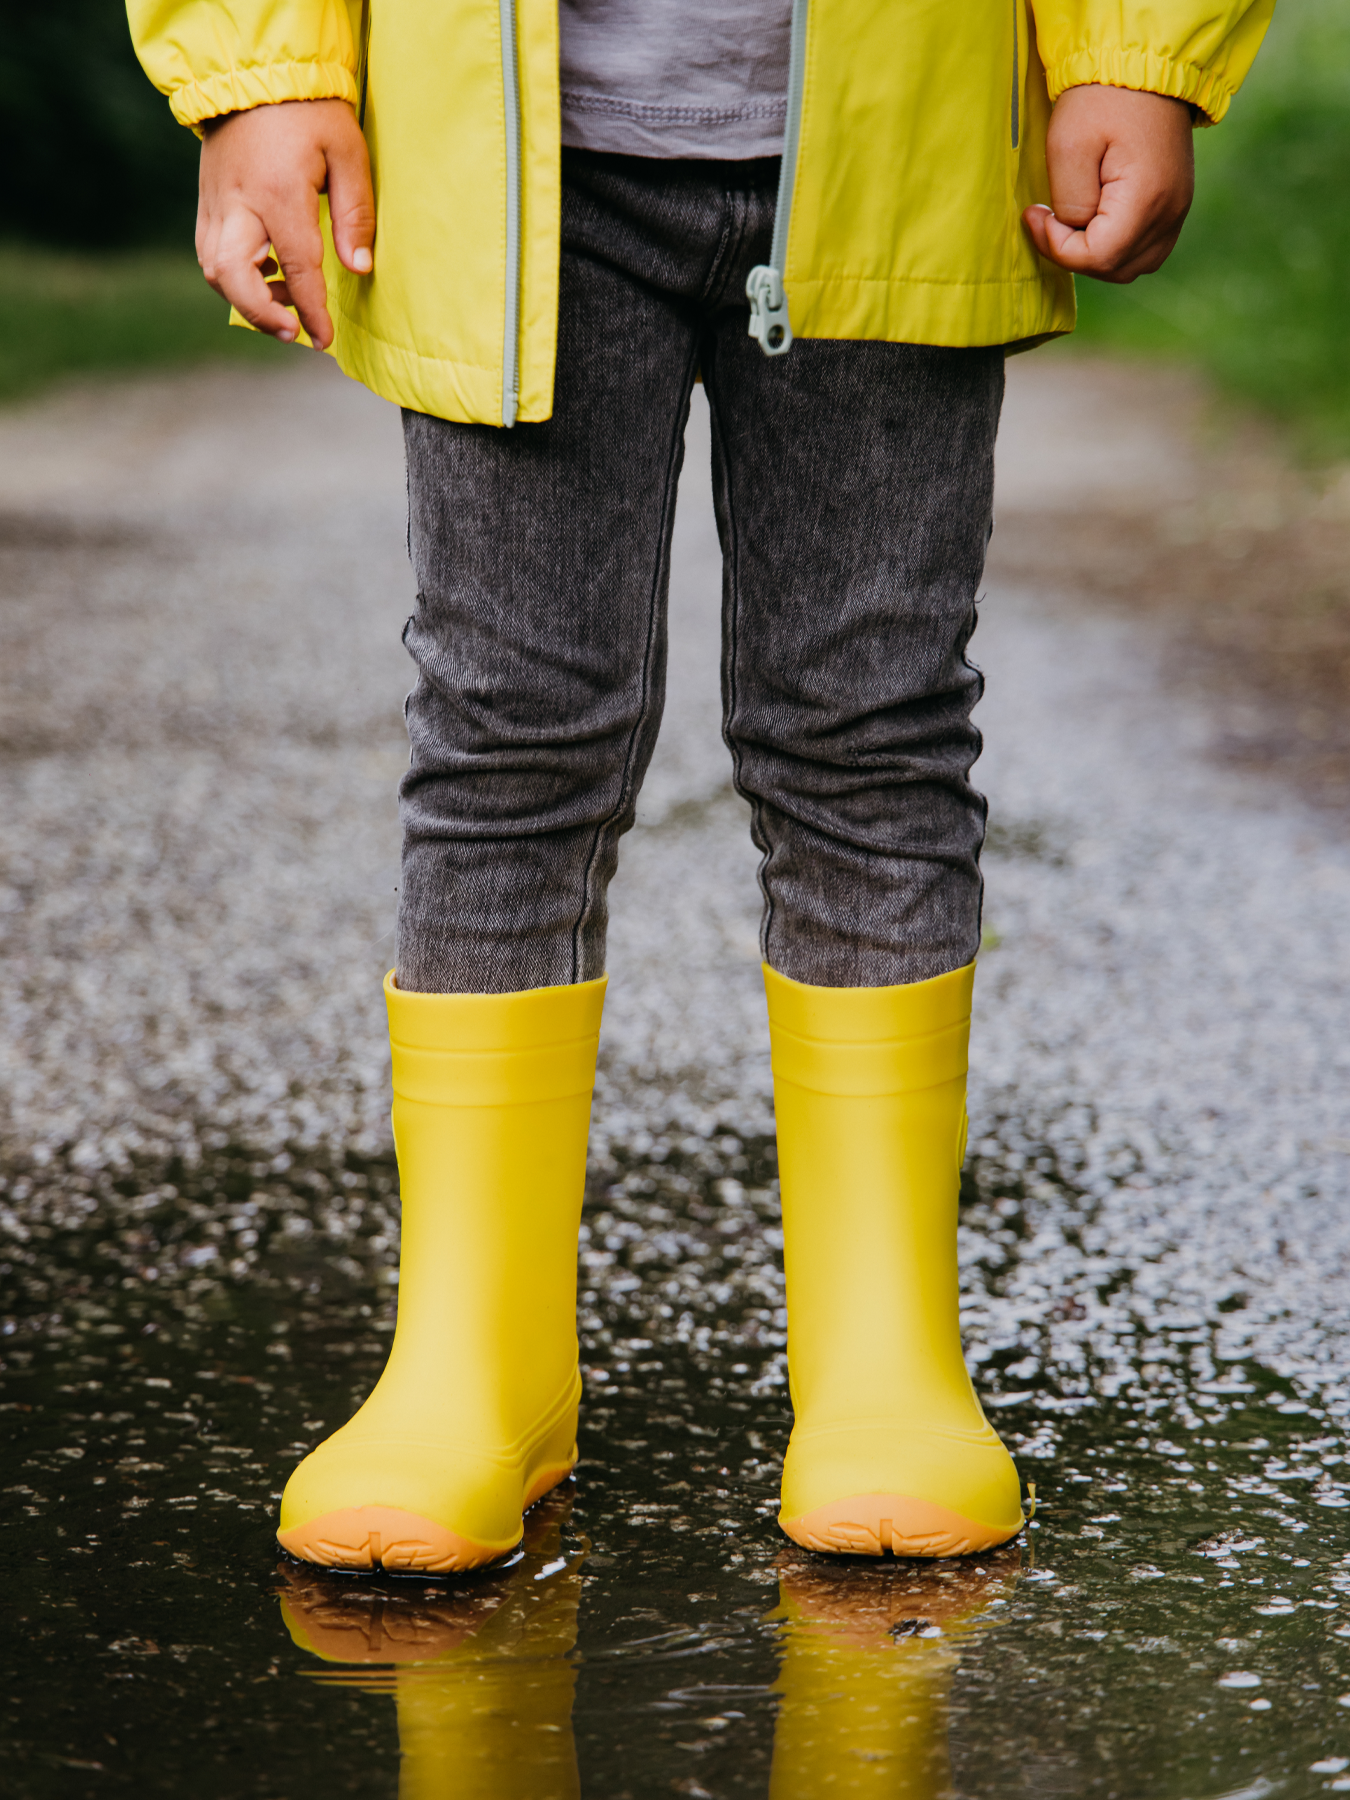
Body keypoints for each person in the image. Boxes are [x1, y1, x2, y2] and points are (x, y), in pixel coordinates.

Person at [128, 0, 1272, 1570]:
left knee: (870, 728)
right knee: (507, 736)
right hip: (496, 146)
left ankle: (884, 1358)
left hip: (905, 127)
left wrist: (1133, 50)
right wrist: (259, 70)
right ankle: (473, 1364)